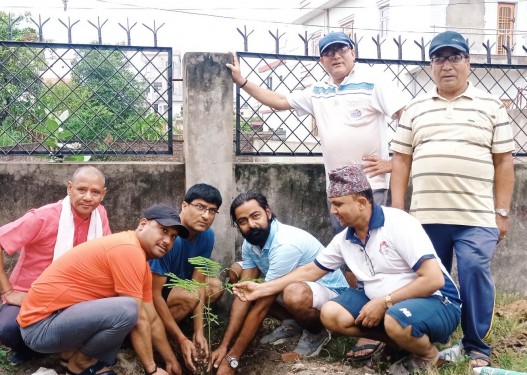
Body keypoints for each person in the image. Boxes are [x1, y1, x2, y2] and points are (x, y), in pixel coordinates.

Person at [227, 31, 408, 357]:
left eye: (341, 50)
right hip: (336, 196)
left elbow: (406, 117)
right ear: (321, 59)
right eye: (328, 53)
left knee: (378, 259)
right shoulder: (319, 91)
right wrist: (242, 82)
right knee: (354, 260)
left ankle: (381, 328)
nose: (336, 56)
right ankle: (362, 320)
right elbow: (279, 101)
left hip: (371, 192)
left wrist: (394, 161)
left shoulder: (373, 81)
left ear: (352, 52)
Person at [234, 165, 462, 373]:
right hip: (386, 304)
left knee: (394, 318)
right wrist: (261, 289)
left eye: (338, 204)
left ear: (362, 202)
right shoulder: (345, 238)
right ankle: (399, 342)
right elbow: (310, 271)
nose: (333, 210)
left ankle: (430, 355)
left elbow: (433, 280)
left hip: (438, 302)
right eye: (332, 203)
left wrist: (385, 302)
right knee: (332, 314)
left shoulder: (398, 224)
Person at [390, 30, 515, 368]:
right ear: (431, 65)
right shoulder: (414, 109)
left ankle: (476, 346)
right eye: (439, 58)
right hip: (425, 218)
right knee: (431, 281)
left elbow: (504, 162)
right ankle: (432, 339)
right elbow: (401, 160)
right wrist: (398, 212)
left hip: (476, 216)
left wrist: (501, 212)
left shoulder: (491, 106)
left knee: (474, 270)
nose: (447, 65)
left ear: (468, 63)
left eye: (454, 57)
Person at [17, 204, 191, 375]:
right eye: (163, 230)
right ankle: (80, 363)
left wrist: (170, 360)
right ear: (143, 224)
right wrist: (151, 369)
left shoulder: (140, 261)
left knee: (126, 314)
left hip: (58, 321)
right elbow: (138, 319)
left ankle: (72, 356)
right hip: (40, 328)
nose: (168, 240)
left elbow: (151, 318)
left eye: (173, 237)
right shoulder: (128, 250)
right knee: (127, 309)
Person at [210, 192, 348, 374]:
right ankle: (293, 323)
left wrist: (233, 358)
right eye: (243, 221)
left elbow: (261, 307)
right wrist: (223, 346)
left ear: (268, 212)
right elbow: (244, 295)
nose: (251, 225)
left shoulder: (285, 244)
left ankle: (317, 333)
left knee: (293, 293)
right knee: (237, 273)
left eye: (255, 216)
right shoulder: (250, 243)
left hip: (334, 296)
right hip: (293, 286)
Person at [0, 166, 110, 365]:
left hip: (73, 294)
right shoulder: (44, 216)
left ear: (103, 194)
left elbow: (106, 253)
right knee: (7, 328)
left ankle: (62, 349)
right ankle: (28, 350)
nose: (88, 197)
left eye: (95, 192)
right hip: (29, 293)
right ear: (69, 188)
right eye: (81, 189)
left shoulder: (99, 215)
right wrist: (8, 291)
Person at [149, 183, 224, 373]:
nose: (206, 216)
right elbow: (153, 294)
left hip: (181, 290)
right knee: (189, 295)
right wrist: (182, 339)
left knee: (215, 286)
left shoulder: (207, 235)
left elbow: (198, 281)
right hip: (149, 301)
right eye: (200, 207)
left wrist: (199, 331)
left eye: (212, 211)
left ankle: (184, 328)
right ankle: (154, 338)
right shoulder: (168, 236)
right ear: (184, 206)